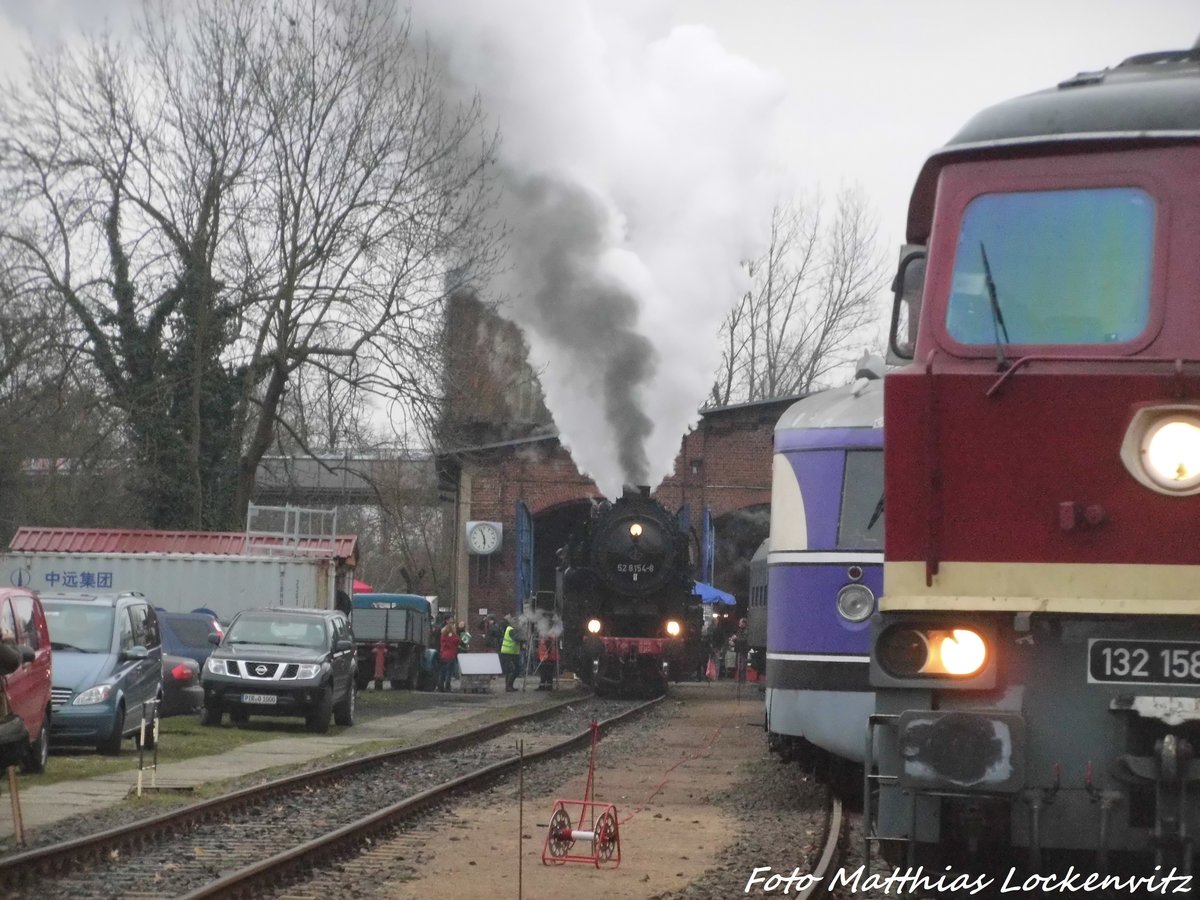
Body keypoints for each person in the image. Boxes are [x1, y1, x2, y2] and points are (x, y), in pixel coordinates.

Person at [499, 616, 522, 692]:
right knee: (514, 670)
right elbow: (517, 638)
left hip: (511, 652)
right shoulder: (511, 630)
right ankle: (509, 686)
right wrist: (525, 638)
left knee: (511, 670)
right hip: (509, 653)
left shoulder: (510, 629)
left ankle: (509, 686)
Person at [437, 621, 460, 692]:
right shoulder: (454, 637)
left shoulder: (443, 636)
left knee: (442, 672)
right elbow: (458, 642)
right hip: (451, 656)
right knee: (449, 673)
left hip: (443, 656)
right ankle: (447, 687)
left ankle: (440, 687)